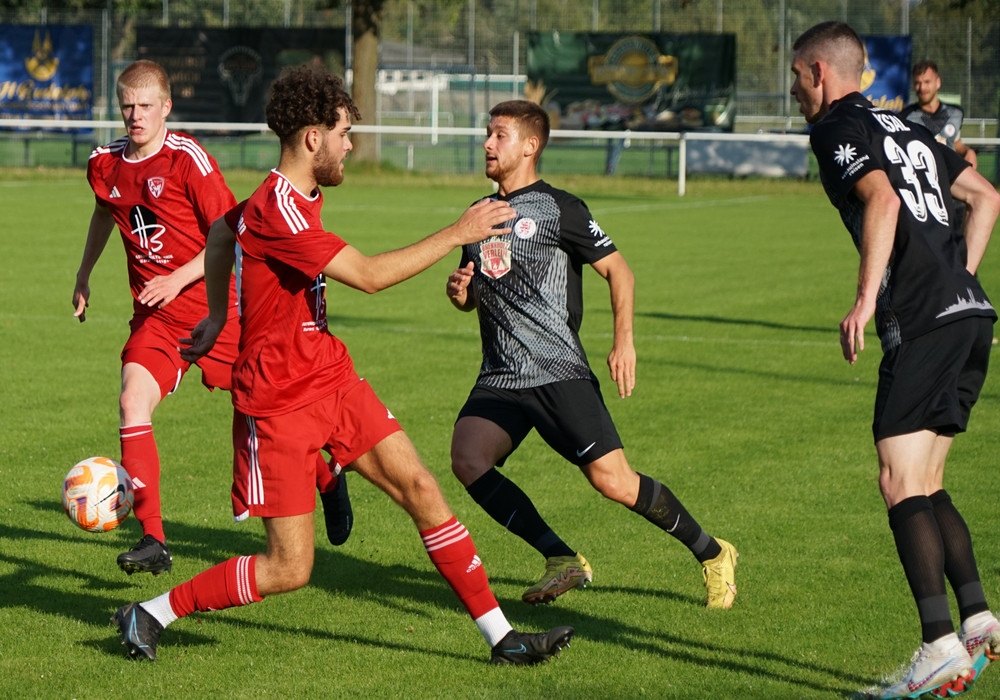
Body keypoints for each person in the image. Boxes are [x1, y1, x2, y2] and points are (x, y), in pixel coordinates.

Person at [111, 65, 574, 665]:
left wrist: (218, 316)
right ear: (313, 139)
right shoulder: (278, 210)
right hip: (277, 404)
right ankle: (150, 613)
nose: (350, 145)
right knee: (288, 567)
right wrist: (458, 231)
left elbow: (222, 235)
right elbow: (371, 276)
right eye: (343, 134)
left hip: (331, 377)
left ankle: (503, 639)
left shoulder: (286, 198)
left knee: (421, 488)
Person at [444, 99, 739, 610]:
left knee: (614, 481)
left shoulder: (561, 208)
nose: (487, 144)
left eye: (499, 135)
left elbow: (619, 271)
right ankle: (561, 558)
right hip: (502, 374)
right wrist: (461, 293)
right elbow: (476, 290)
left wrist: (623, 341)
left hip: (557, 369)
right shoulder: (478, 214)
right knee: (468, 459)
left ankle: (713, 553)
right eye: (487, 134)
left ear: (530, 146)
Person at [791, 21, 1000, 699]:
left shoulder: (836, 127)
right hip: (970, 313)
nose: (795, 92)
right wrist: (959, 280)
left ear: (819, 72)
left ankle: (938, 645)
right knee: (926, 479)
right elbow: (986, 197)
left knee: (896, 479)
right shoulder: (908, 125)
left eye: (797, 77)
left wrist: (863, 301)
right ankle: (977, 620)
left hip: (921, 317)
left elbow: (881, 197)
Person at [72, 60, 241, 576]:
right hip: (157, 320)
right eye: (128, 105)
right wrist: (83, 275)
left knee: (269, 412)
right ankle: (153, 539)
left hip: (216, 310)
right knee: (132, 401)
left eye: (146, 106)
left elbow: (228, 235)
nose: (135, 115)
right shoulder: (104, 163)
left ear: (166, 107)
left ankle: (327, 477)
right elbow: (104, 212)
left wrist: (177, 278)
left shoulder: (188, 159)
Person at [900, 60, 977, 170]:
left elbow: (954, 142)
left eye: (927, 82)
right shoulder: (905, 118)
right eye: (917, 83)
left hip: (951, 176)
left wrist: (968, 151)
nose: (922, 88)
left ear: (938, 82)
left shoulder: (955, 113)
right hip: (923, 176)